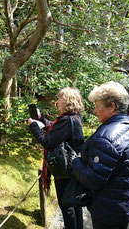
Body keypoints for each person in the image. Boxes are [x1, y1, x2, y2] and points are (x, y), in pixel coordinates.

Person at [71, 81, 129, 229]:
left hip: (109, 210)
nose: (94, 111)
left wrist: (75, 160)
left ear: (112, 106)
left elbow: (91, 179)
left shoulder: (107, 137)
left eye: (97, 106)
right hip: (127, 203)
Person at [28, 87, 85, 229]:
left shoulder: (65, 120)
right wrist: (40, 119)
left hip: (65, 170)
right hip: (75, 166)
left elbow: (47, 141)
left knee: (67, 205)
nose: (56, 102)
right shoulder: (74, 117)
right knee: (74, 202)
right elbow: (56, 130)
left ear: (66, 101)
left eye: (59, 99)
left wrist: (34, 126)